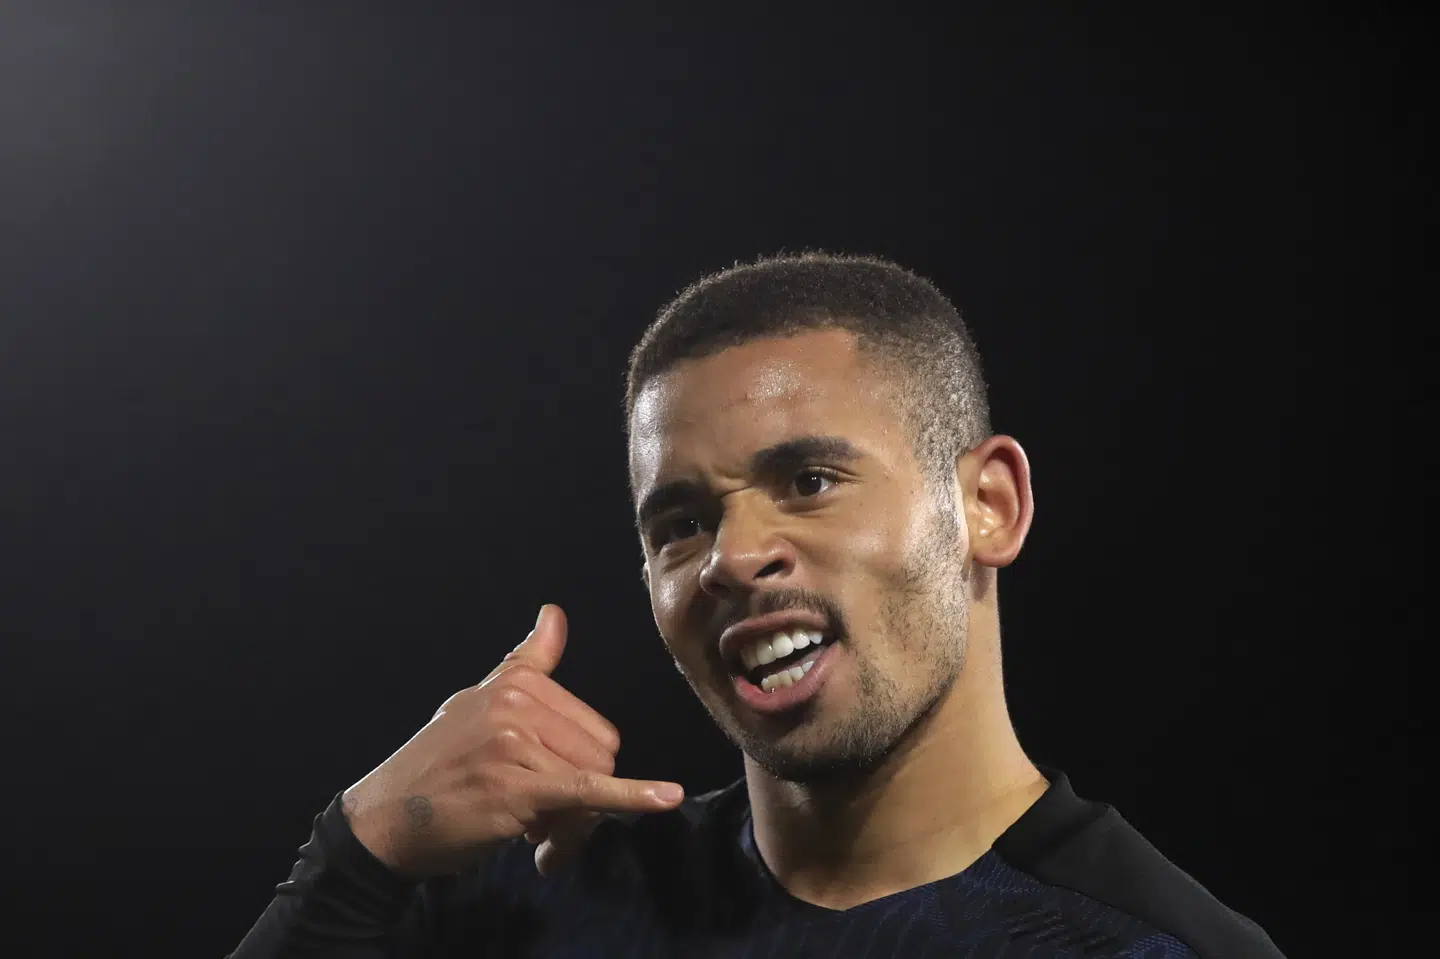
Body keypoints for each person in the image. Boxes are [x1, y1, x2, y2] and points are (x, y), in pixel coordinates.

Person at [230, 253, 1285, 958]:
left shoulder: (1151, 943)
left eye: (810, 481)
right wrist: (358, 849)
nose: (731, 558)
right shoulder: (535, 906)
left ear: (988, 506)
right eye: (679, 522)